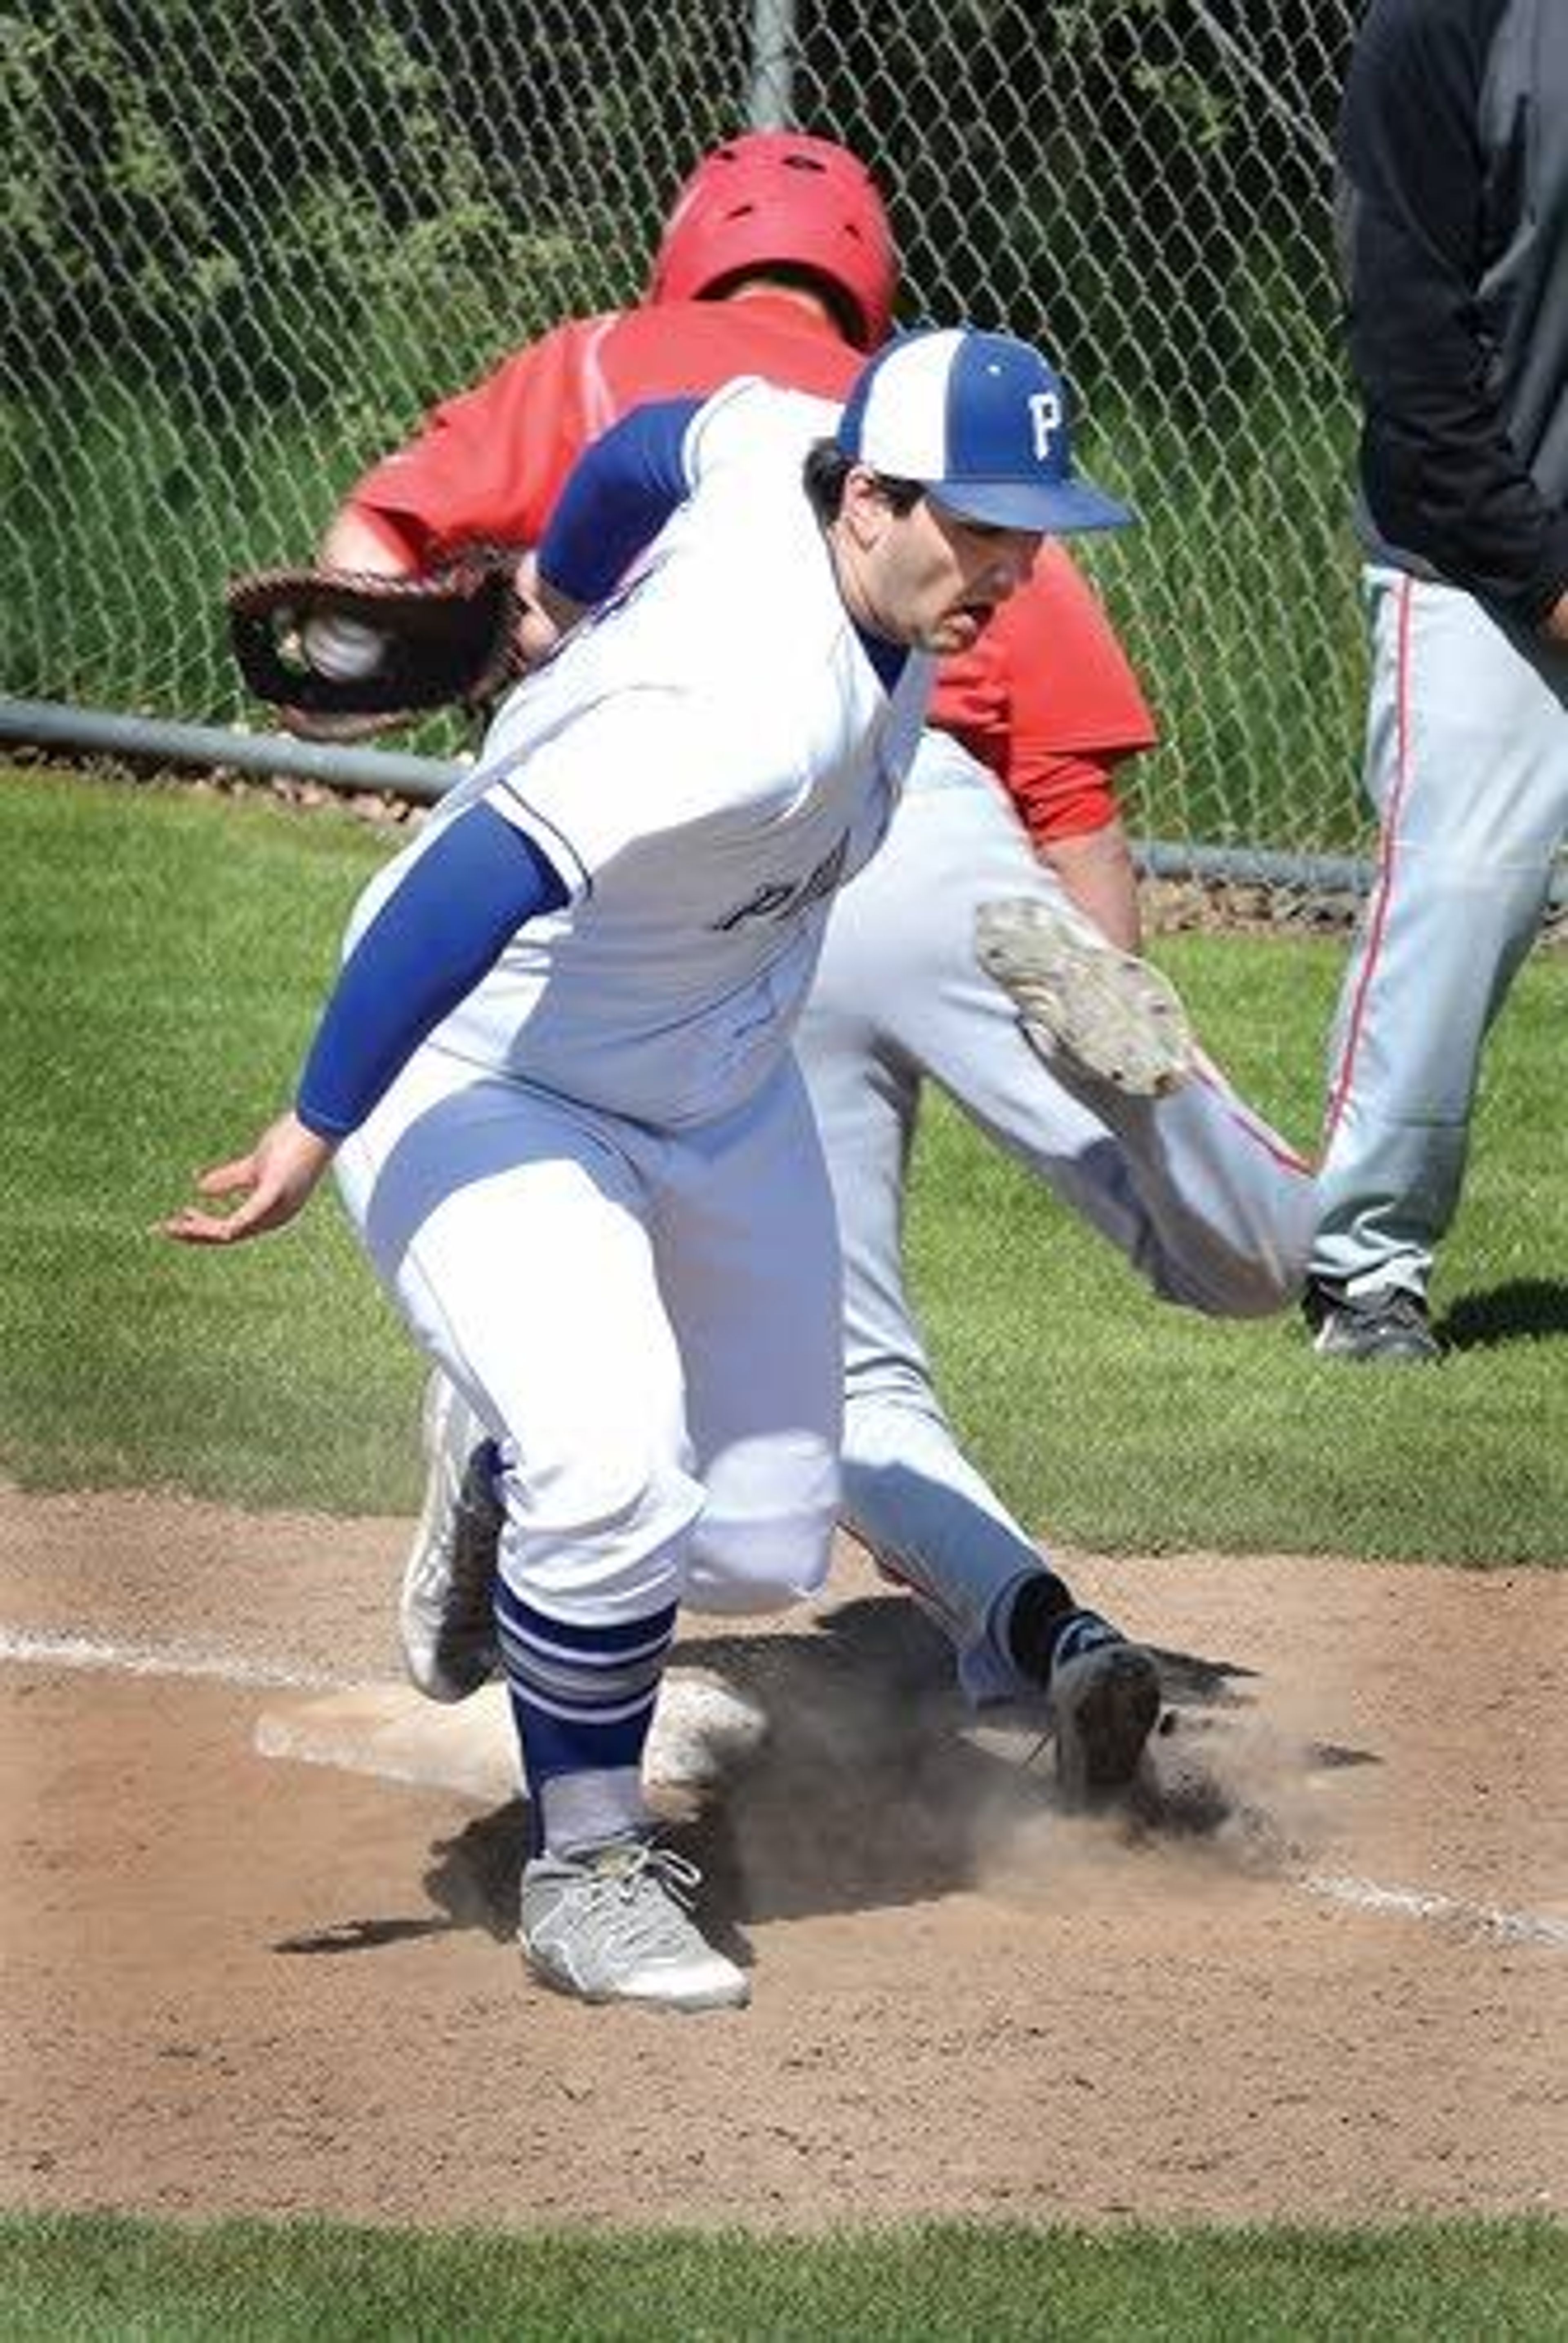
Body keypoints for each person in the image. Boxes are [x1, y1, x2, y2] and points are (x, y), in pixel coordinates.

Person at [165, 322, 1153, 2015]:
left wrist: (555, 587)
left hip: (718, 1080)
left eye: (1030, 529)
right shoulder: (742, 705)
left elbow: (660, 444)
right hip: (493, 1074)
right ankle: (591, 1864)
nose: (1012, 567)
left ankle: (494, 1466)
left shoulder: (795, 446)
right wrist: (315, 1122)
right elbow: (468, 880)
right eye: (978, 528)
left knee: (763, 1539)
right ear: (872, 502)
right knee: (617, 1471)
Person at [317, 132, 1315, 1733]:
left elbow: (371, 555)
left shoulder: (609, 364)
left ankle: (967, 1596)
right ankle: (1055, 1571)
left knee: (835, 1372)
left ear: (687, 246)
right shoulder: (959, 463)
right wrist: (1110, 979)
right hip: (939, 847)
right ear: (868, 281)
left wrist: (508, 636)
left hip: (694, 883)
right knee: (1256, 1251)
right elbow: (1072, 793)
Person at [1305, 0, 1568, 1363]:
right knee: (1458, 900)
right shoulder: (1445, 24)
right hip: (1481, 559)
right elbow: (1408, 336)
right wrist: (1544, 572)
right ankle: (1366, 1266)